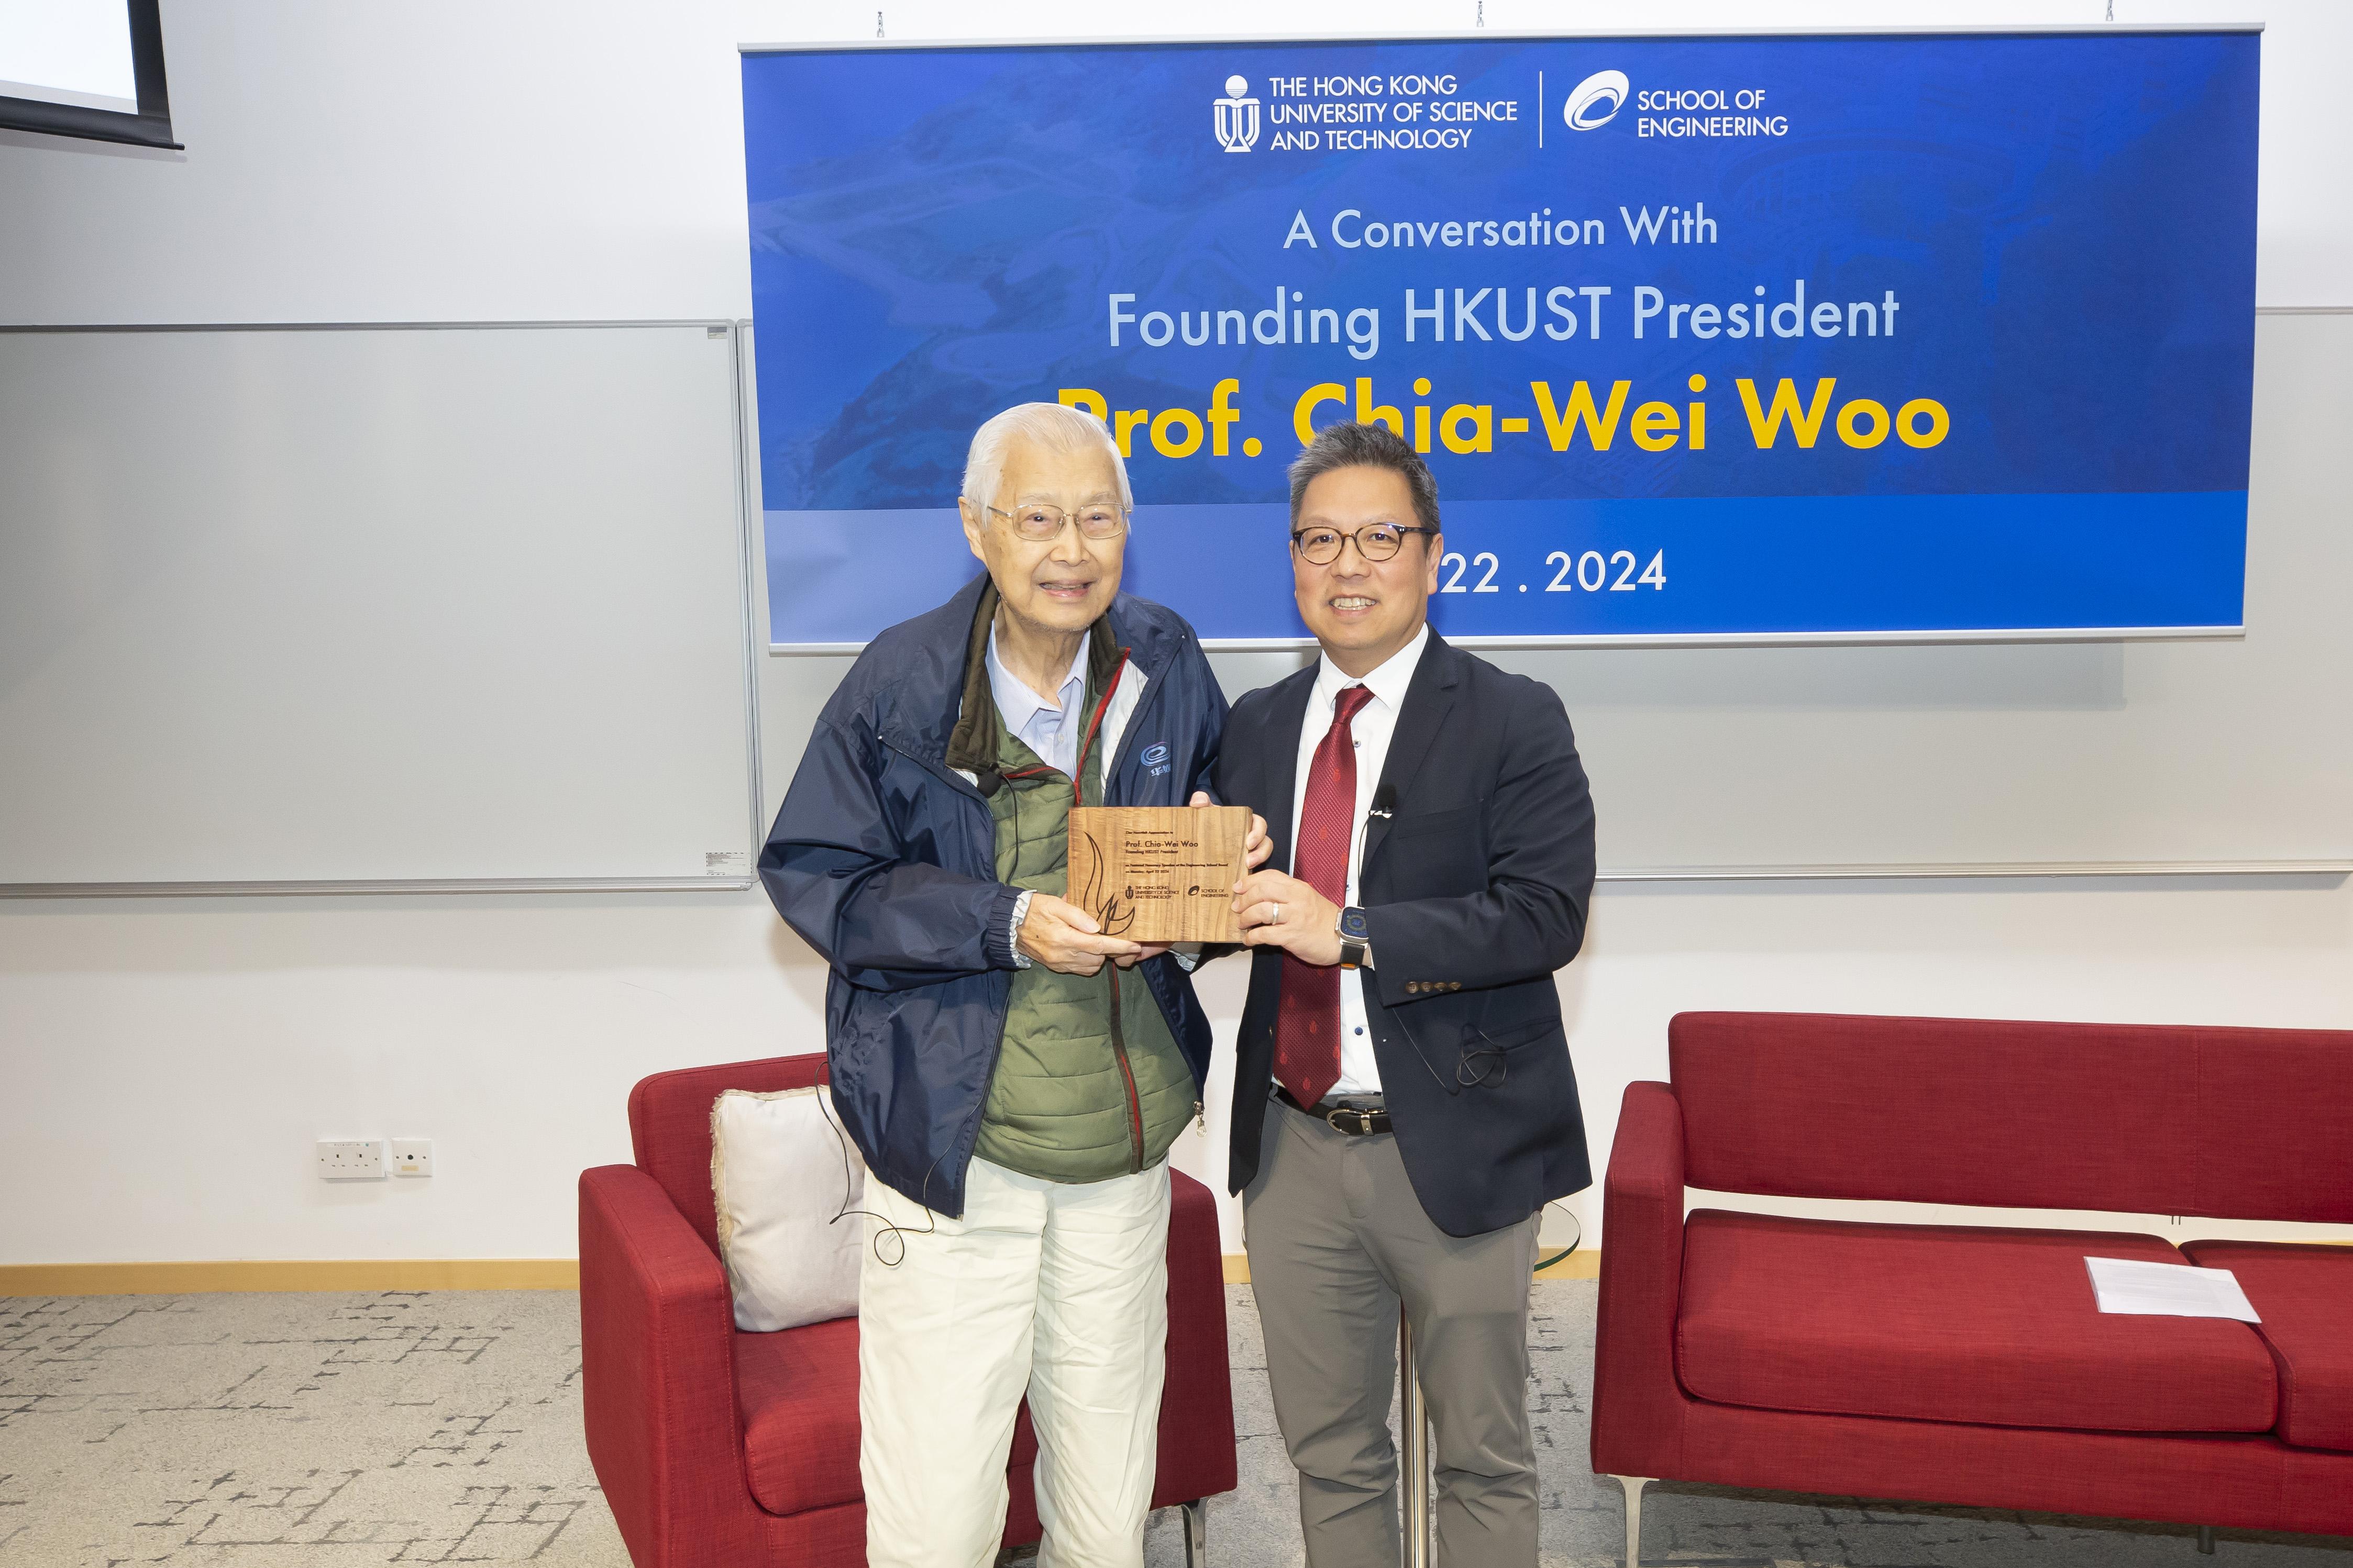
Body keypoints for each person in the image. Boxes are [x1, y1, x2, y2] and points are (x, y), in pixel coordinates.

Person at [759, 402, 1266, 1568]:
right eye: (1038, 519)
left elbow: (1229, 865)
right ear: (977, 529)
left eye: (1097, 519)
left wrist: (1220, 863)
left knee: (1106, 1498)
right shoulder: (900, 682)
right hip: (956, 1162)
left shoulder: (1168, 661)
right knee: (939, 1510)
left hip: (1121, 1159)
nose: (1071, 550)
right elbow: (819, 878)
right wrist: (1006, 922)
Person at [1213, 420, 1597, 1566]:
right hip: (1292, 1151)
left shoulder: (1514, 715)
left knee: (1482, 1455)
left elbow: (1546, 915)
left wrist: (1357, 932)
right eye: (1319, 539)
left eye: (1379, 536)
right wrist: (1188, 875)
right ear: (1291, 562)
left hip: (1459, 1147)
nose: (1348, 563)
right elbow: (1222, 911)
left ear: (1434, 557)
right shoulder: (1255, 727)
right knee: (1330, 1455)